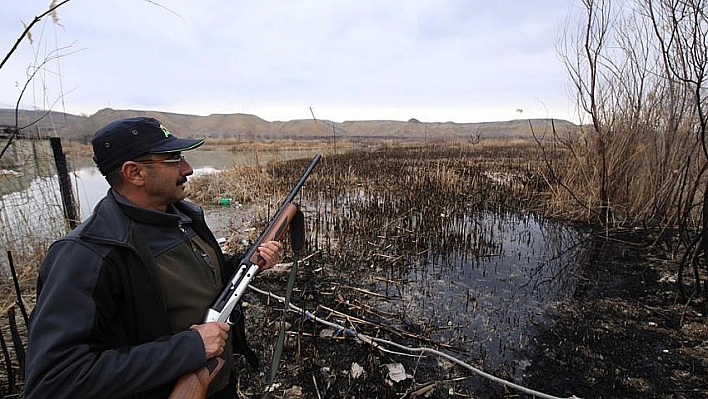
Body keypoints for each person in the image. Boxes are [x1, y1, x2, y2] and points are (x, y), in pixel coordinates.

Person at [24, 116, 283, 399]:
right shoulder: (85, 255)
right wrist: (189, 349)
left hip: (218, 384)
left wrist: (247, 261)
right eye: (173, 159)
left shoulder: (182, 216)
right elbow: (54, 380)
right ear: (135, 173)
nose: (188, 169)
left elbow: (201, 276)